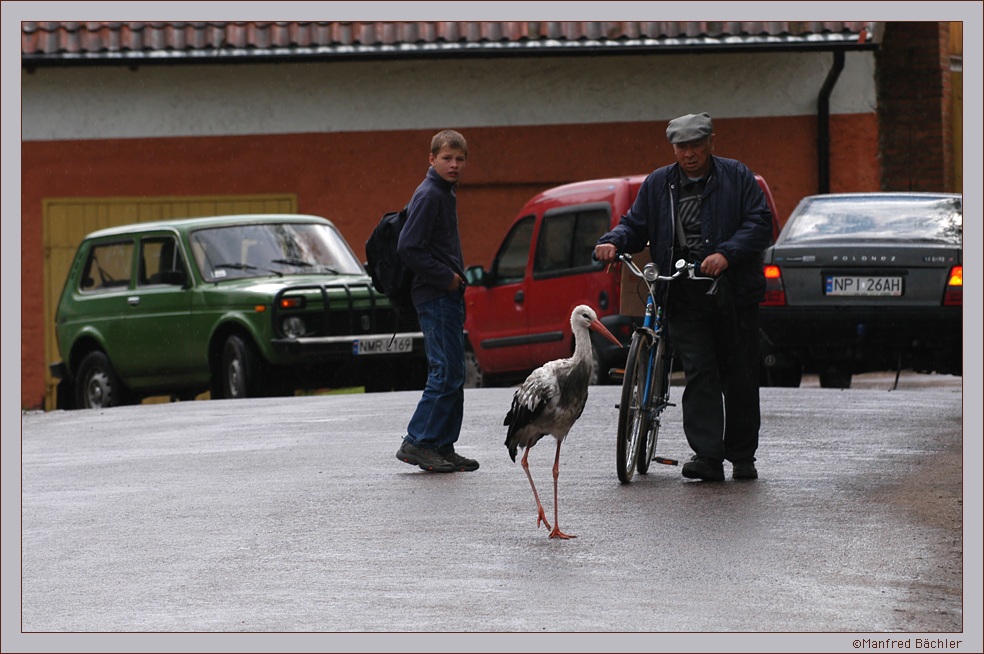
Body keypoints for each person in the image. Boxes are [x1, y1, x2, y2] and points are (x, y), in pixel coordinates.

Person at [594, 113, 773, 482]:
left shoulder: (737, 176)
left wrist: (726, 254)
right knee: (699, 371)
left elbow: (759, 223)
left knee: (739, 373)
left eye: (696, 146)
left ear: (711, 143)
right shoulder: (659, 183)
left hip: (733, 291)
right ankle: (707, 456)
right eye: (681, 147)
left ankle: (742, 457)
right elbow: (635, 224)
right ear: (673, 148)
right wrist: (612, 241)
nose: (689, 154)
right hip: (682, 289)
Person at [394, 129, 479, 473]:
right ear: (432, 159)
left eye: (459, 159)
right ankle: (418, 441)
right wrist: (447, 278)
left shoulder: (444, 192)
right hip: (435, 295)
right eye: (447, 158)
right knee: (444, 371)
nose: (454, 164)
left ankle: (443, 444)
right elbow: (408, 246)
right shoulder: (430, 194)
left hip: (446, 294)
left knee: (455, 372)